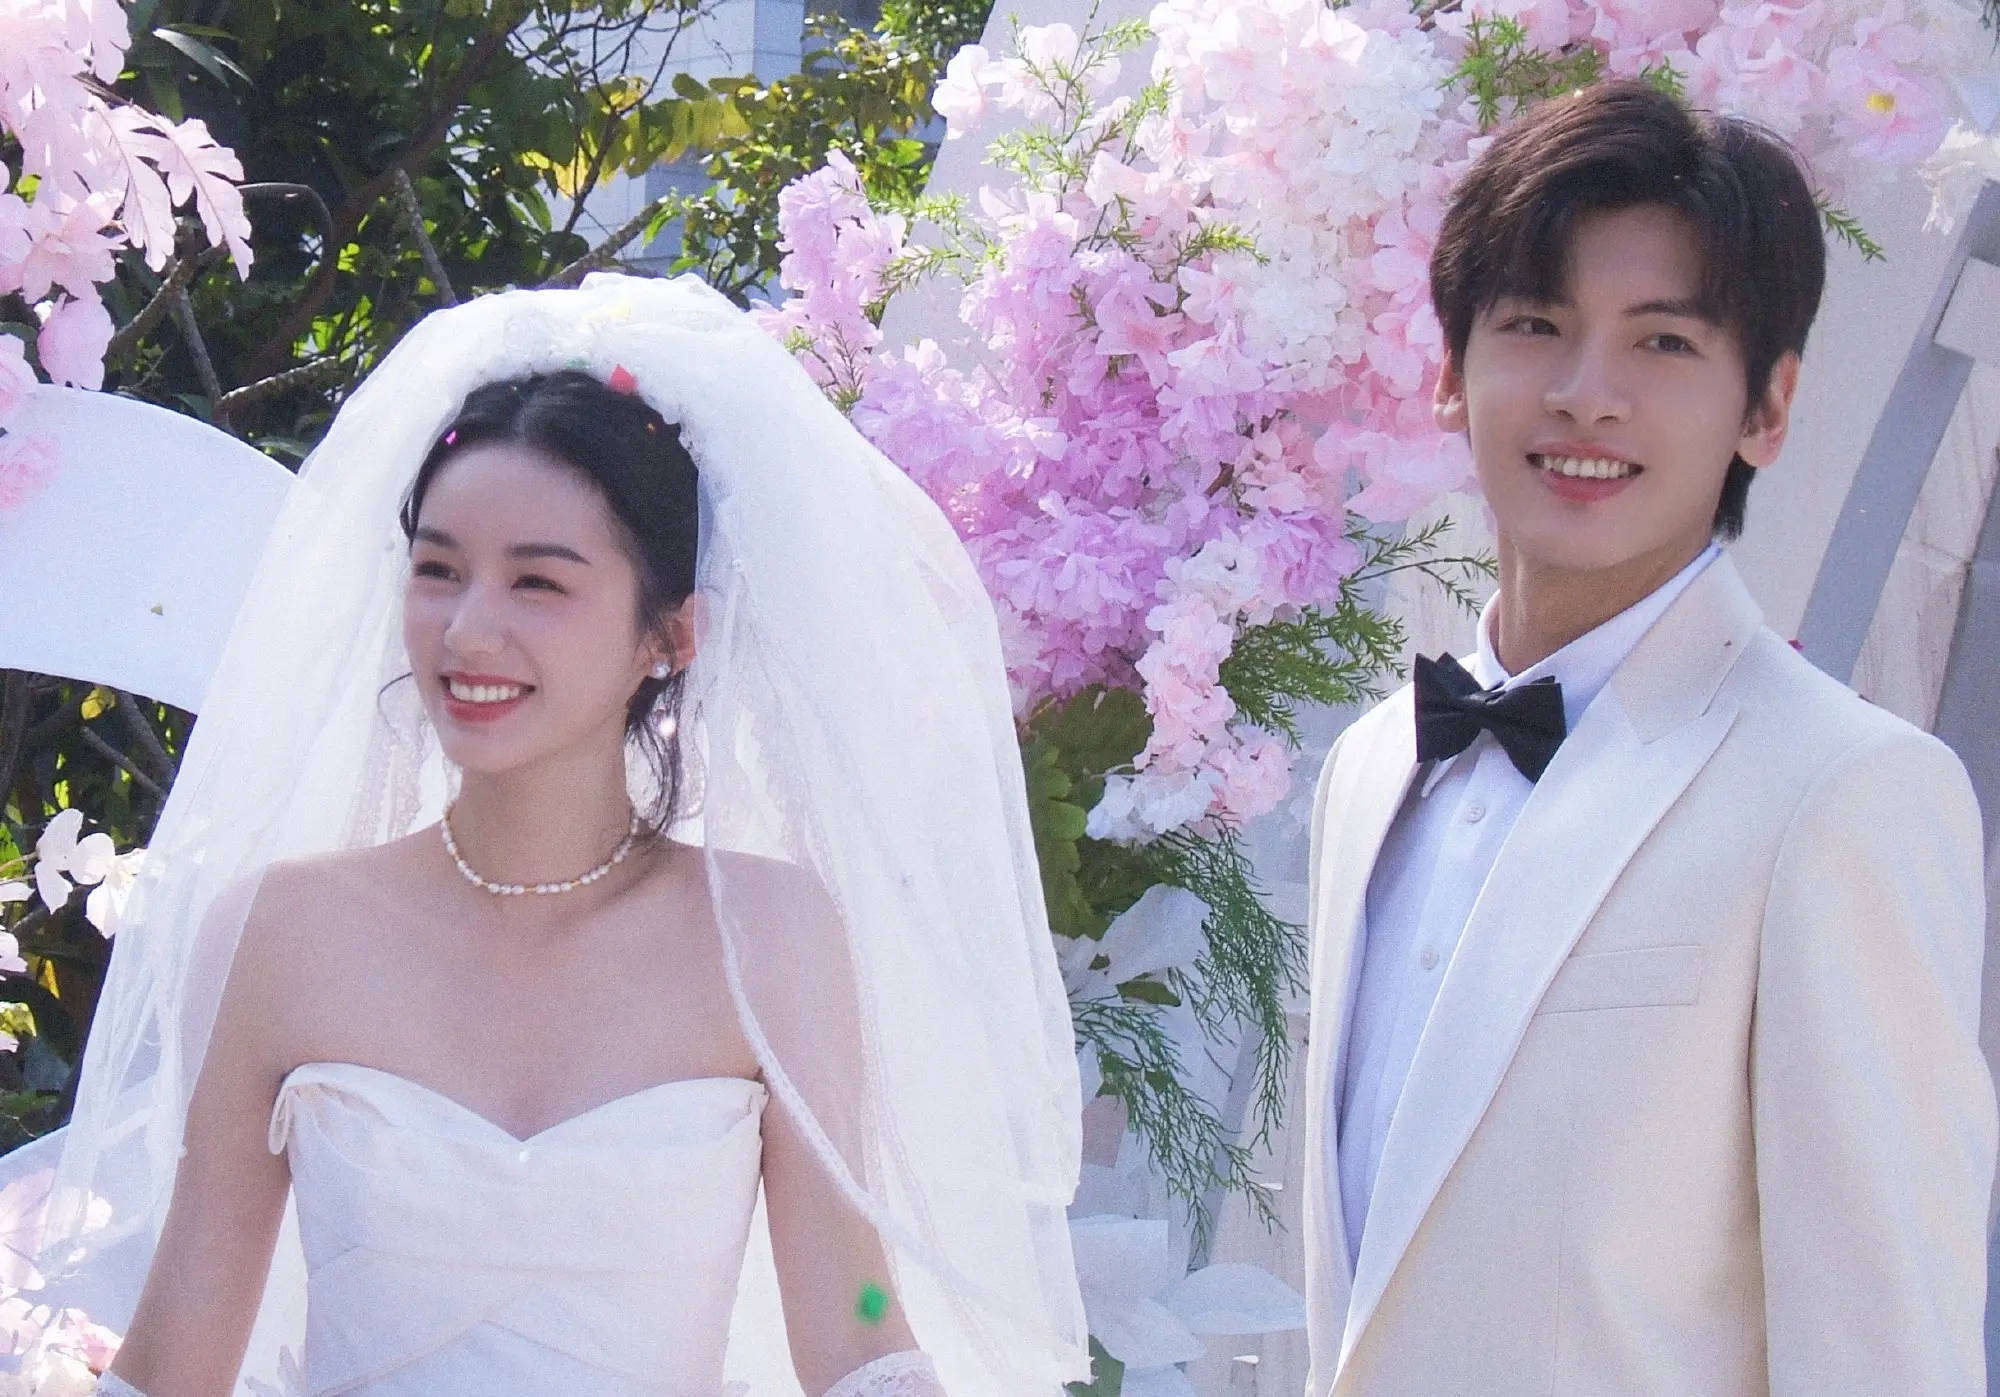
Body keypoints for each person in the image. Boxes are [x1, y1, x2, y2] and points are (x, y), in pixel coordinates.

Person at [22, 275, 1087, 1395]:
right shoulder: (281, 931)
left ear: (671, 635)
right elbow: (175, 1357)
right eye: (439, 570)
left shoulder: (768, 934)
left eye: (538, 581)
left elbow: (856, 1316)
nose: (469, 629)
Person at [1299, 79, 1996, 1395]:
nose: (1586, 395)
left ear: (1766, 408)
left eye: (1663, 342)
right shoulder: (1369, 765)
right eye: (1534, 325)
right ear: (1448, 374)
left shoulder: (1841, 793)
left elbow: (1887, 1349)